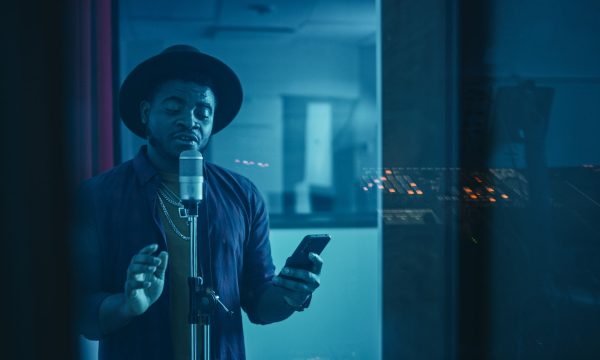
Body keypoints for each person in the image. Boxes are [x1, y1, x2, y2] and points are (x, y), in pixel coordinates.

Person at [74, 45, 324, 360]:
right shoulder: (97, 196)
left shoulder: (243, 195)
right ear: (146, 113)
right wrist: (127, 304)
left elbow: (260, 304)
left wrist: (291, 294)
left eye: (202, 112)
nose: (189, 120)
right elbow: (84, 314)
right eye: (173, 108)